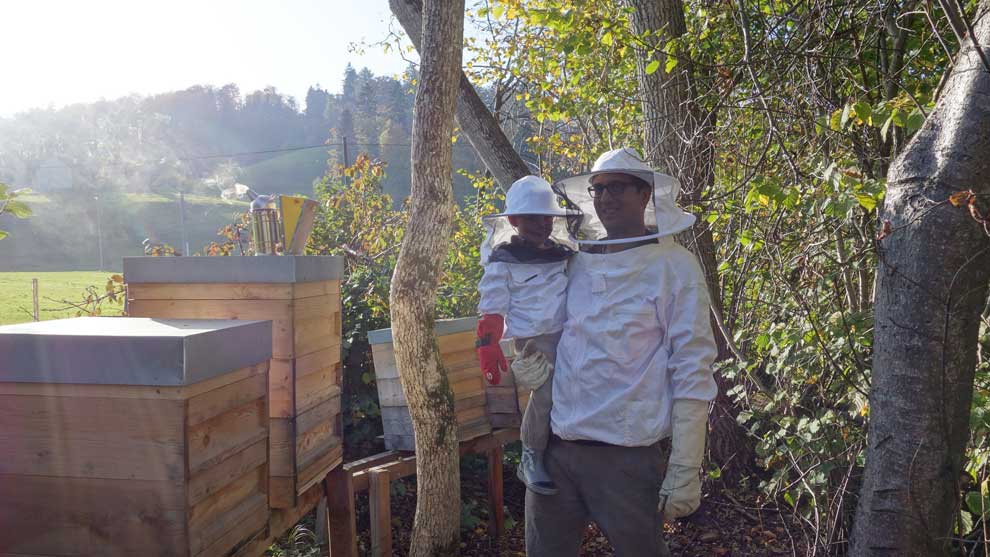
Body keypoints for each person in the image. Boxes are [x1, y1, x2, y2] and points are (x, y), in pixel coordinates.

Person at [524, 148, 718, 556]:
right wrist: (527, 364)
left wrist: (685, 466)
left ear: (645, 194)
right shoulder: (573, 262)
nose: (605, 197)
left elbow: (693, 369)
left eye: (617, 187)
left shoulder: (674, 267)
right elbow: (547, 331)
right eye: (597, 188)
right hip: (556, 449)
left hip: (626, 459)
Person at [475, 175, 576, 495]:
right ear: (515, 220)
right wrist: (487, 347)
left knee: (574, 390)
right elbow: (492, 309)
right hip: (532, 340)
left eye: (545, 217)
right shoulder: (502, 261)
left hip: (569, 335)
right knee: (545, 395)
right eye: (532, 218)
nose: (541, 224)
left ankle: (562, 450)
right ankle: (530, 456)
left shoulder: (562, 254)